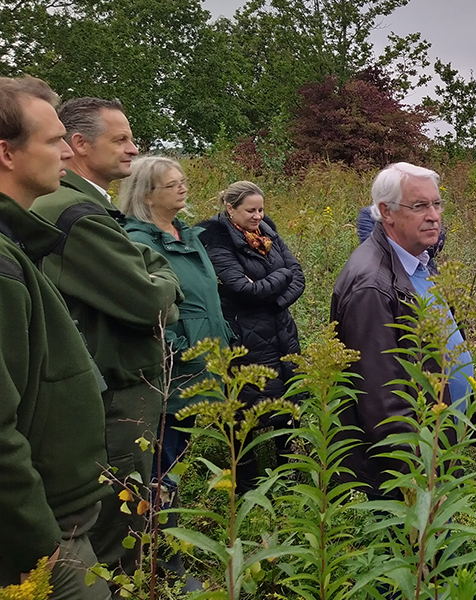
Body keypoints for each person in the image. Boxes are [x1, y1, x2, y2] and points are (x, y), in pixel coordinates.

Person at [30, 97, 182, 575]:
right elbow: (151, 301)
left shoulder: (91, 207)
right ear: (78, 144)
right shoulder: (76, 212)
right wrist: (162, 278)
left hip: (111, 385)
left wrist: (152, 272)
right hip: (116, 394)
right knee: (124, 524)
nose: (133, 149)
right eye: (120, 139)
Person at [0, 76, 112, 598]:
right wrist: (34, 544)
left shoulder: (15, 245)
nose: (69, 151)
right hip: (44, 534)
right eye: (53, 140)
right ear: (6, 152)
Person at [330, 162, 473, 498]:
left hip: (438, 444)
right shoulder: (371, 285)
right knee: (421, 551)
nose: (434, 215)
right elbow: (381, 398)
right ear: (386, 212)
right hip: (410, 470)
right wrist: (420, 470)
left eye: (437, 204)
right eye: (420, 205)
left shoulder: (418, 261)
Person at [118, 157, 233, 483]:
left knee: (176, 456)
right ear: (146, 195)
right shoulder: (136, 242)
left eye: (182, 180)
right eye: (172, 184)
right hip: (170, 370)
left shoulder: (188, 234)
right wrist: (179, 348)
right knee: (162, 462)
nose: (183, 187)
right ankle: (159, 527)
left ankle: (165, 525)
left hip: (200, 362)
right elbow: (140, 309)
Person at [198, 181, 305, 493]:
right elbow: (243, 288)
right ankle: (247, 485)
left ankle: (286, 477)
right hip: (245, 337)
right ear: (231, 209)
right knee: (247, 406)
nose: (258, 215)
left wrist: (272, 296)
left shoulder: (266, 231)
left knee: (286, 400)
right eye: (250, 210)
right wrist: (280, 277)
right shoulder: (216, 240)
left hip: (281, 330)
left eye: (261, 209)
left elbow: (297, 275)